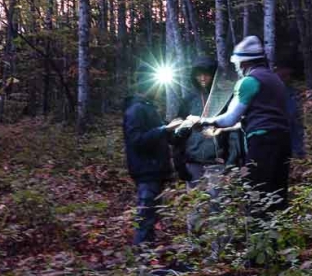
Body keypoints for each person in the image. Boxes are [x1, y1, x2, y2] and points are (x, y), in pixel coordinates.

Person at [195, 36, 292, 212]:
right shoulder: (275, 80)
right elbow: (264, 116)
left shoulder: (248, 82)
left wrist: (205, 122)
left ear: (245, 62)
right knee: (278, 194)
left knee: (257, 193)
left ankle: (259, 235)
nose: (237, 67)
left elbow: (229, 118)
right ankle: (280, 234)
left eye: (237, 63)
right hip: (283, 142)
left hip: (262, 144)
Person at [123, 62, 184, 245]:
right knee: (146, 215)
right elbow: (137, 141)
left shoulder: (148, 107)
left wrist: (177, 130)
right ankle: (141, 261)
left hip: (155, 171)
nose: (159, 91)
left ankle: (148, 256)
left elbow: (160, 136)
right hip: (146, 171)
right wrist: (164, 129)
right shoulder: (136, 110)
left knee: (151, 215)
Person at [174, 56, 239, 187]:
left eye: (206, 74)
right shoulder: (188, 100)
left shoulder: (225, 98)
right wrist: (179, 164)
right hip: (192, 163)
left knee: (217, 205)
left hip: (218, 163)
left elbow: (234, 132)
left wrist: (231, 163)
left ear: (214, 75)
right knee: (195, 205)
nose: (202, 78)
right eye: (198, 74)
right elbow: (179, 135)